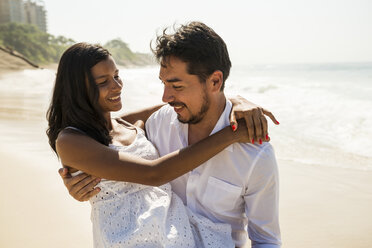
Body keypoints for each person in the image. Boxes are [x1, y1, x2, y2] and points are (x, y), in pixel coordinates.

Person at [60, 22, 281, 247]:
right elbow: (115, 141)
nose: (165, 97)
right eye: (164, 84)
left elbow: (266, 241)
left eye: (176, 86)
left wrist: (235, 101)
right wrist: (83, 178)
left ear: (215, 81)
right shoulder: (158, 124)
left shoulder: (255, 155)